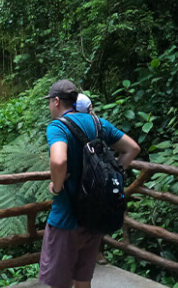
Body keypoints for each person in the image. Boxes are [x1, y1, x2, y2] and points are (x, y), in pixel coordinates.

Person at [39, 80, 140, 288]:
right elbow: (132, 149)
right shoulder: (97, 123)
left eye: (49, 101)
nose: (49, 106)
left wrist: (56, 187)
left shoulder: (58, 127)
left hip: (66, 219)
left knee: (59, 282)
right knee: (83, 279)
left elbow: (59, 160)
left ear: (57, 101)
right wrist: (112, 171)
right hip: (94, 216)